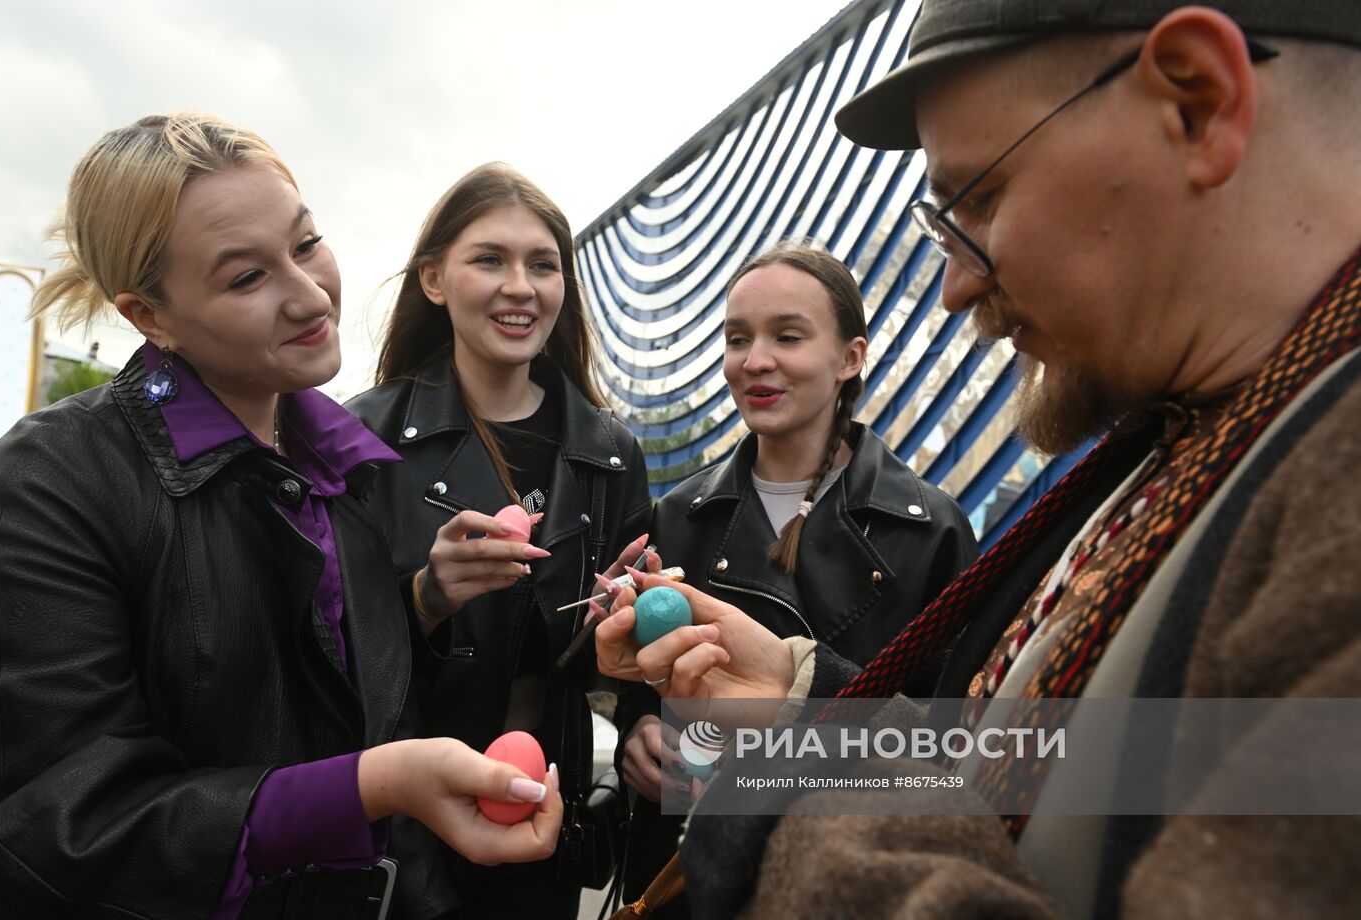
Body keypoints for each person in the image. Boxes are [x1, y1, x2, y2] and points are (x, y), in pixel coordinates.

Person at [595, 2, 1361, 917]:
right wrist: (800, 701)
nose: (958, 286)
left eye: (982, 198)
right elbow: (1024, 770)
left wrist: (797, 775)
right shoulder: (1176, 447)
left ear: (1195, 102)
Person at [0, 114, 562, 920]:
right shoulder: (48, 486)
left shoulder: (337, 466)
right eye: (247, 278)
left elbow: (328, 697)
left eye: (307, 243)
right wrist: (375, 787)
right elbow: (57, 829)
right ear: (150, 316)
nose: (311, 294)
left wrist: (421, 602)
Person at [611, 242, 976, 913]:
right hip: (677, 880)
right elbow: (639, 674)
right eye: (736, 338)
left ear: (851, 358)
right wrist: (637, 727)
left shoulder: (933, 531)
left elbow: (960, 740)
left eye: (788, 336)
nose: (755, 361)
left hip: (843, 883)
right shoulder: (676, 516)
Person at [347, 162, 653, 918]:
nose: (521, 286)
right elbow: (317, 653)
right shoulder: (363, 439)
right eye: (490, 259)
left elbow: (623, 673)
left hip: (541, 813)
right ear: (434, 281)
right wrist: (427, 596)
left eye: (543, 265)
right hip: (397, 817)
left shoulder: (610, 453)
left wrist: (620, 625)